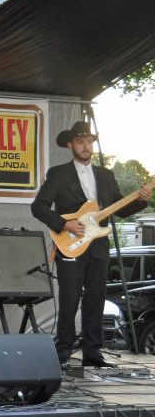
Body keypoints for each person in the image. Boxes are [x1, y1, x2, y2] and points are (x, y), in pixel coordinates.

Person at [32, 121, 151, 367]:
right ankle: (62, 351)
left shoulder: (105, 175)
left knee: (96, 299)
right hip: (71, 244)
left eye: (89, 141)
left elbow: (120, 208)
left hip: (98, 246)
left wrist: (140, 200)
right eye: (80, 142)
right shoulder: (59, 173)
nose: (86, 146)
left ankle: (93, 353)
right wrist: (64, 224)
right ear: (70, 145)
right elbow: (38, 207)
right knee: (69, 299)